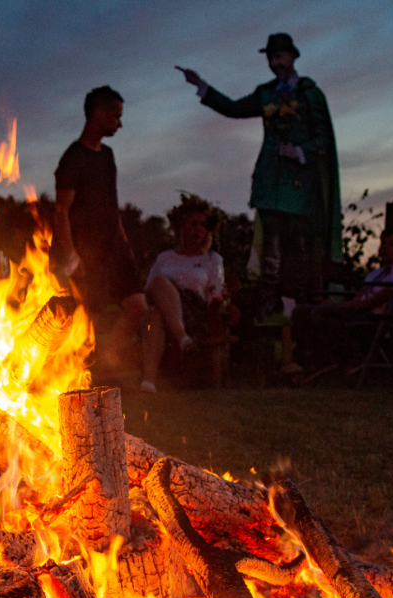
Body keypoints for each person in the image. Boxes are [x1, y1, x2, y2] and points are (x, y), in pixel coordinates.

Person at [177, 33, 342, 312]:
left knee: (296, 247)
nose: (275, 63)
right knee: (271, 246)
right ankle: (269, 303)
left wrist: (301, 151)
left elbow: (324, 139)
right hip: (270, 180)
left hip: (299, 185)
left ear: (292, 57)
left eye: (279, 57)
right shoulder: (265, 93)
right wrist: (202, 86)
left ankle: (295, 306)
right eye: (270, 58)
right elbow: (233, 108)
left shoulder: (310, 94)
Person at [53, 86, 148, 372]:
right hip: (83, 251)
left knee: (138, 307)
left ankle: (105, 363)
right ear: (99, 114)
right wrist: (70, 256)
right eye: (116, 116)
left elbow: (112, 206)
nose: (120, 123)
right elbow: (61, 212)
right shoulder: (73, 157)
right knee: (82, 319)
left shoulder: (107, 155)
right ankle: (83, 376)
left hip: (112, 250)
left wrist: (125, 246)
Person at [286, 229, 393, 375]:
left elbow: (370, 303)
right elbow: (357, 299)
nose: (384, 248)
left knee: (322, 314)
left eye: (392, 244)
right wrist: (335, 306)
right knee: (300, 311)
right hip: (360, 312)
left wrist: (338, 308)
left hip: (375, 318)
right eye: (383, 243)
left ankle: (352, 357)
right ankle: (315, 357)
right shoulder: (376, 274)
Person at [139, 207, 229, 393]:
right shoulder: (165, 258)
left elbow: (216, 290)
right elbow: (149, 290)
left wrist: (220, 304)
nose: (198, 229)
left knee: (158, 298)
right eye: (193, 224)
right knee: (156, 304)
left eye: (203, 225)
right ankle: (150, 382)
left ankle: (181, 339)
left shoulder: (212, 260)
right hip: (163, 310)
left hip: (194, 313)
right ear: (181, 228)